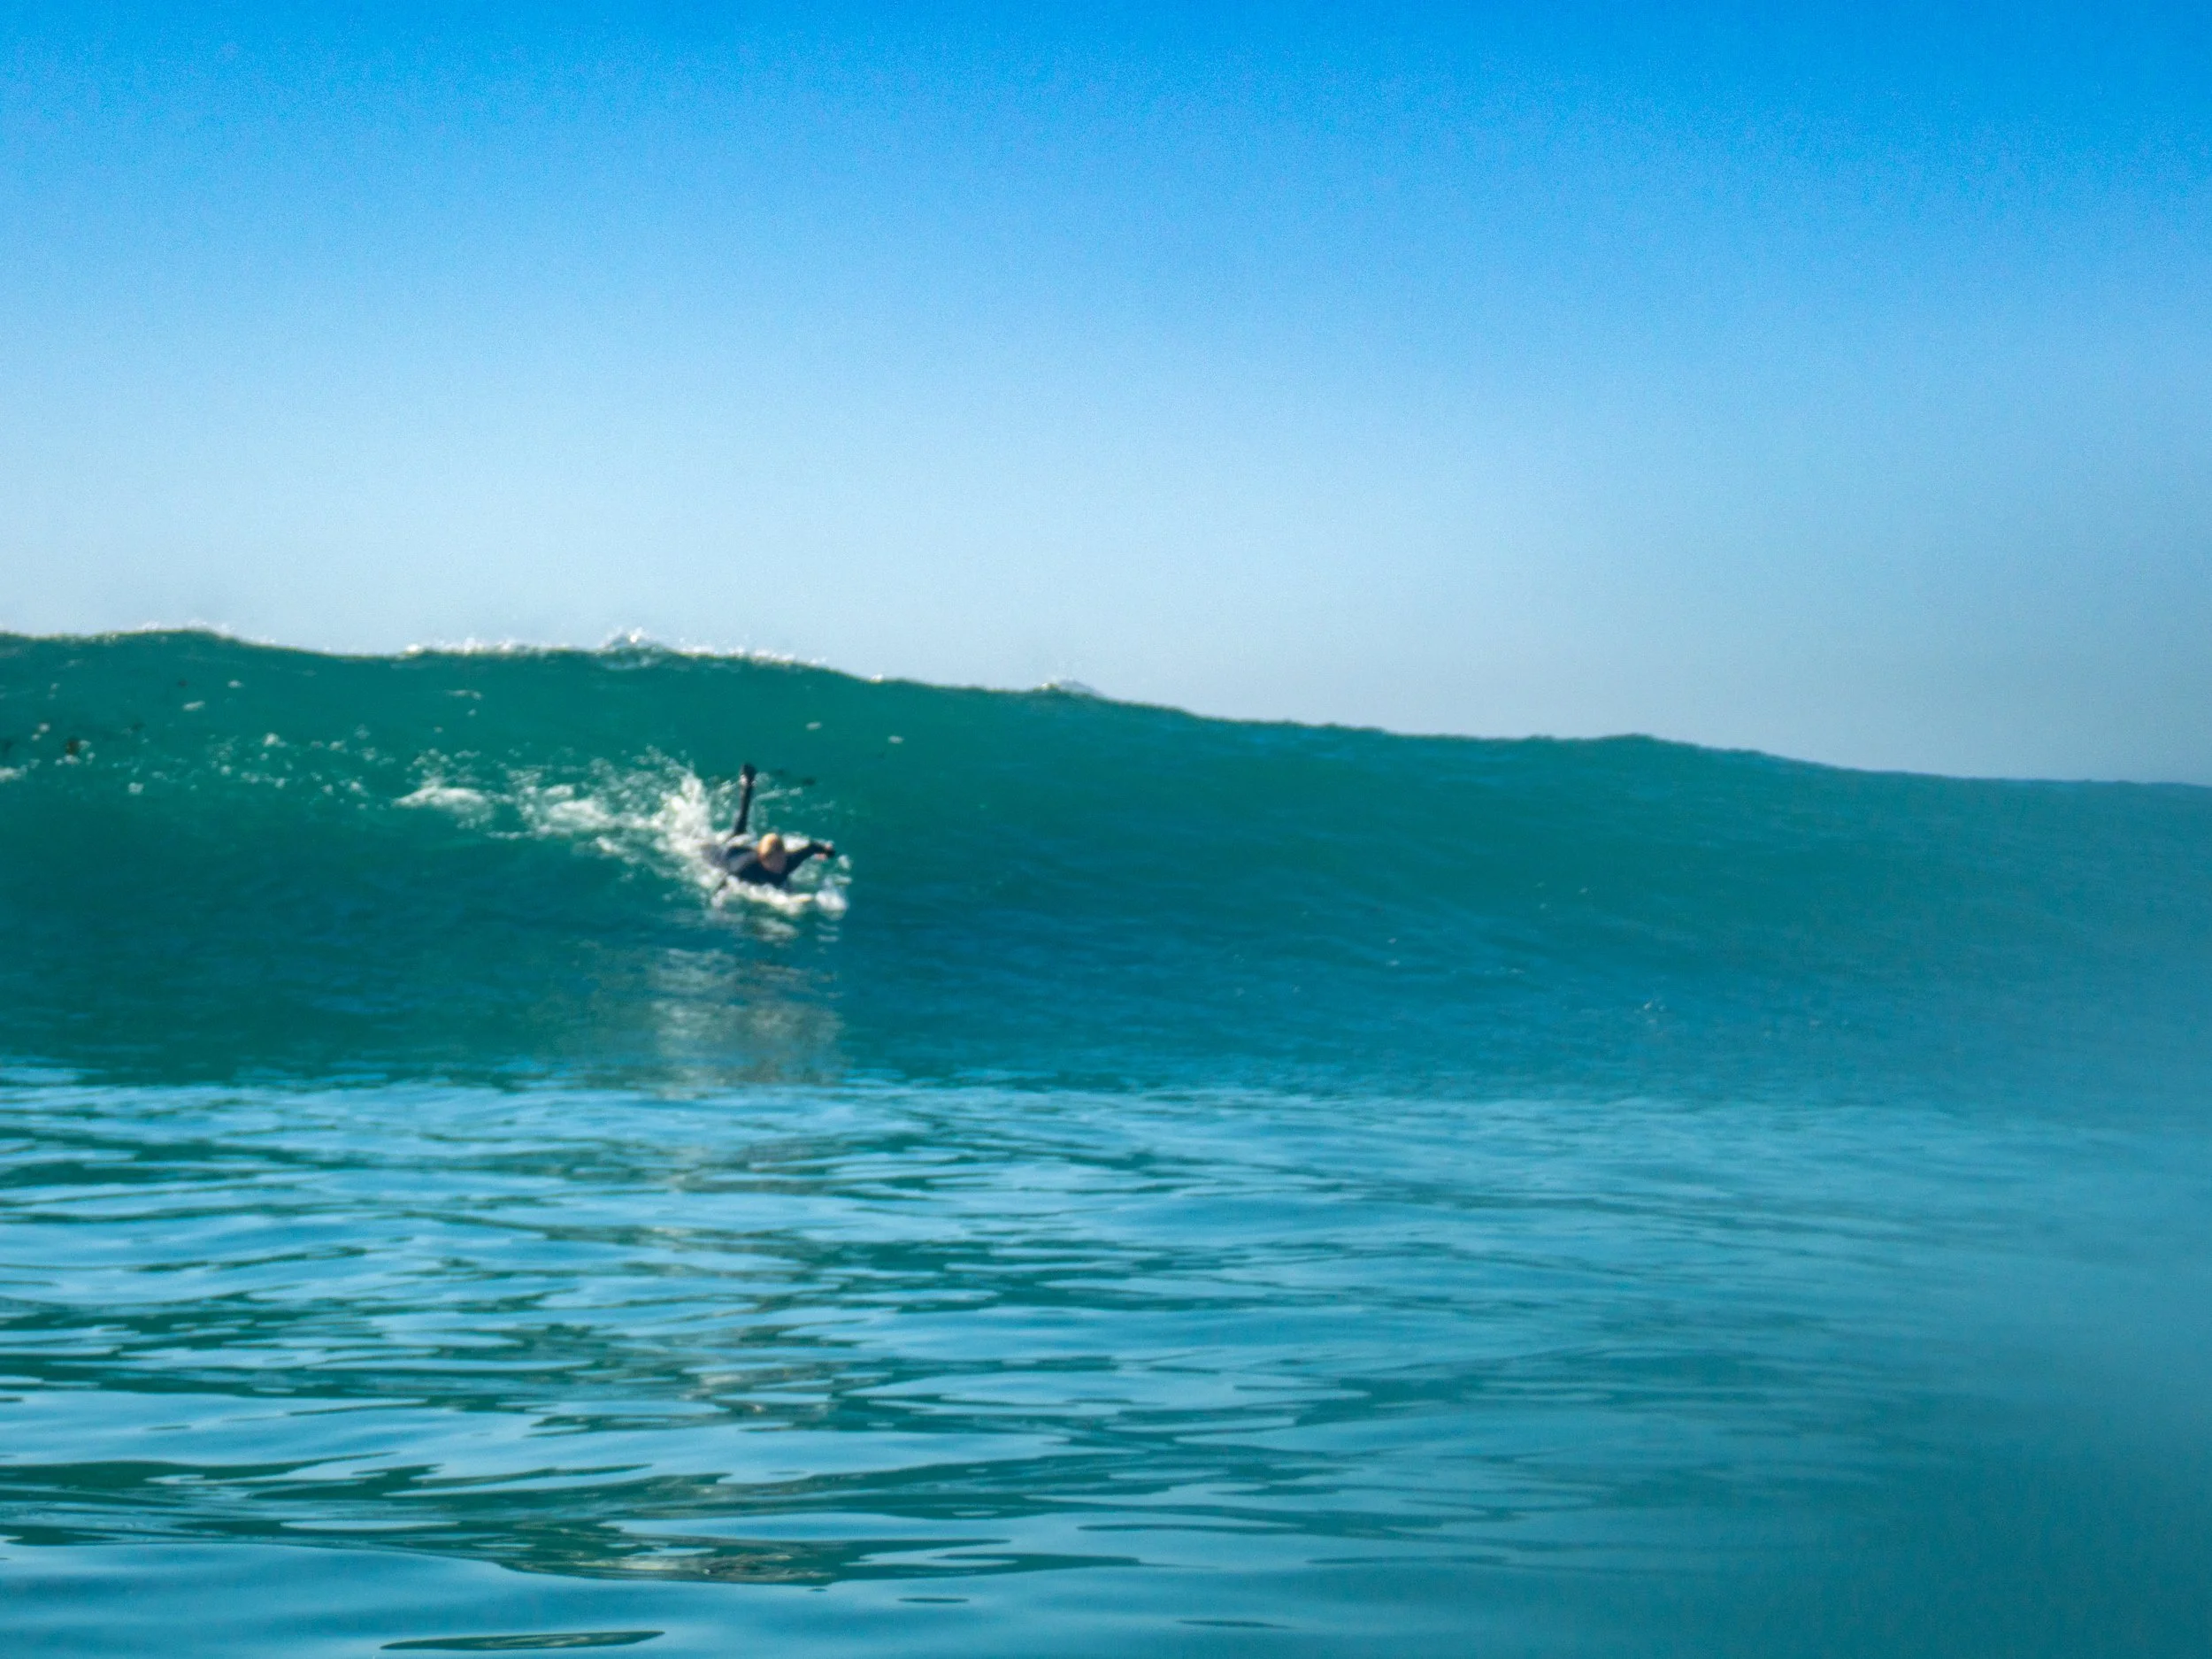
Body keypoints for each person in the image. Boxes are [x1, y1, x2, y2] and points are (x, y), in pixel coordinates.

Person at [718, 764, 837, 888]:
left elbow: (810, 848)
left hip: (747, 850)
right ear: (763, 860)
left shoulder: (788, 862)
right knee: (740, 825)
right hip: (730, 854)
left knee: (741, 829)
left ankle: (748, 786)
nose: (780, 866)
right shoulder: (747, 870)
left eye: (782, 859)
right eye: (776, 862)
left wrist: (827, 851)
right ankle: (747, 785)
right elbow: (727, 880)